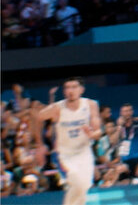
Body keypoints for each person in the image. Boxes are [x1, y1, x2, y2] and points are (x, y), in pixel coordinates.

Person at [31, 77, 101, 205]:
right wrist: (39, 144)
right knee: (77, 181)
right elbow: (37, 117)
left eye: (74, 87)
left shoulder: (91, 105)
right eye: (67, 88)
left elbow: (98, 132)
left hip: (84, 152)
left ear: (81, 89)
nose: (70, 91)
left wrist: (92, 135)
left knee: (84, 187)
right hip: (65, 155)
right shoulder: (57, 108)